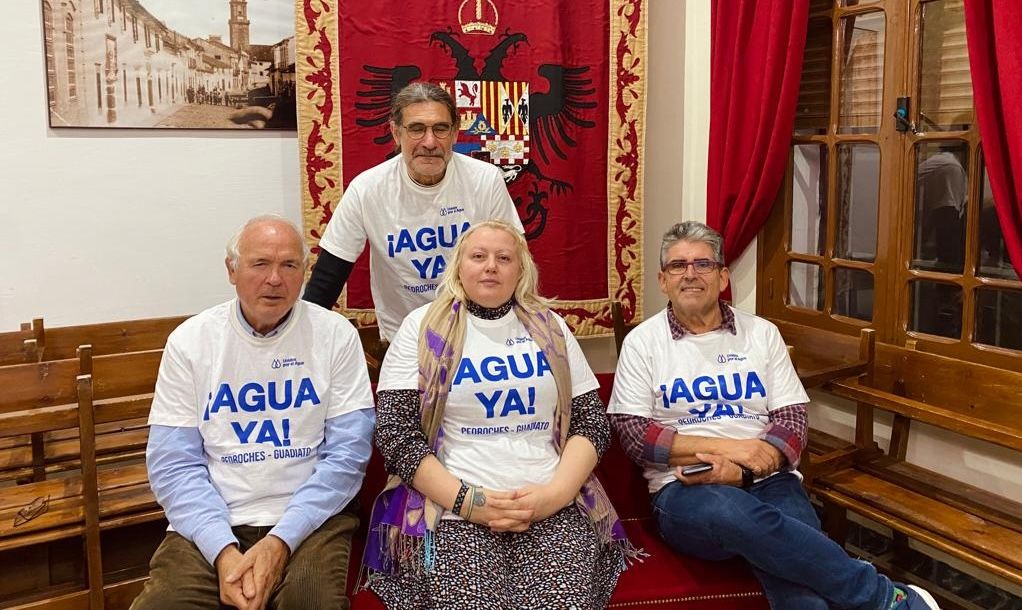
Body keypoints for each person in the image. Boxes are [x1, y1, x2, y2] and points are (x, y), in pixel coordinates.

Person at [607, 221, 941, 610]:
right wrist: (737, 450)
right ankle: (885, 598)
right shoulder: (642, 343)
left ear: (723, 276)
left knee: (800, 585)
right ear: (663, 280)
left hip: (770, 480)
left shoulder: (762, 334)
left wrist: (745, 469)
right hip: (685, 493)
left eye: (703, 264)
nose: (691, 274)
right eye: (678, 266)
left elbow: (793, 420)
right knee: (731, 511)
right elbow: (635, 436)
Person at [364, 220, 631, 609]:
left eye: (504, 258)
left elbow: (591, 423)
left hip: (548, 505)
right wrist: (470, 503)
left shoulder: (551, 327)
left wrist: (554, 496)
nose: (491, 266)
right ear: (458, 267)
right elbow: (396, 433)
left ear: (521, 270)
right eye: (478, 256)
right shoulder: (419, 328)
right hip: (453, 510)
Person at [131, 215, 376, 610]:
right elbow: (173, 464)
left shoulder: (335, 335)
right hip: (216, 516)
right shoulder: (191, 342)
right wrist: (222, 549)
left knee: (310, 602)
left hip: (310, 517)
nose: (275, 279)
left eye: (289, 265)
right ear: (232, 270)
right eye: (260, 264)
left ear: (305, 272)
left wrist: (280, 541)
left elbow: (348, 456)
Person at [303, 82, 523, 342]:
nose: (429, 142)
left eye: (440, 129)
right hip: (404, 339)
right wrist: (303, 344)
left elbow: (516, 264)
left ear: (454, 133)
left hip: (476, 333)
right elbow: (327, 279)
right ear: (396, 133)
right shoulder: (368, 188)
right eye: (417, 129)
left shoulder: (485, 180)